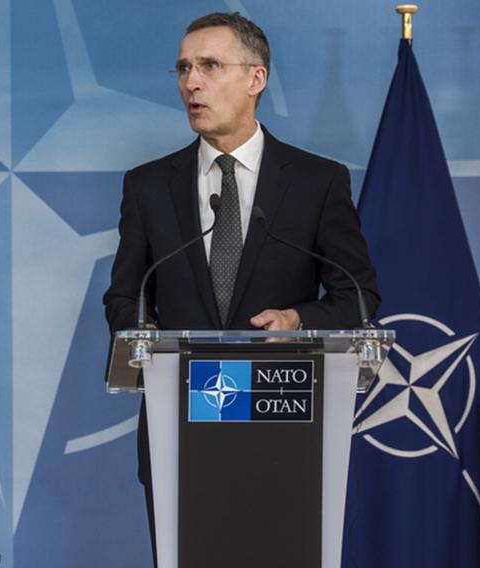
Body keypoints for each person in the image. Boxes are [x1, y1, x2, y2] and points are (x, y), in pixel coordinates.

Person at [102, 12, 379, 563]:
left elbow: (359, 296)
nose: (190, 83)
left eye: (208, 66)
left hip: (282, 420)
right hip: (179, 426)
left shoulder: (317, 181)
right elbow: (123, 296)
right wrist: (142, 334)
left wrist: (299, 322)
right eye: (183, 68)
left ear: (256, 79)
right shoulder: (149, 186)